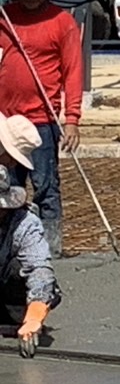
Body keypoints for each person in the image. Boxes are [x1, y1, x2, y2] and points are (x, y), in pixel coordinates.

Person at [0, 0, 82, 256]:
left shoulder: (62, 22)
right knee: (6, 187)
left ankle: (50, 248)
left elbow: (73, 72)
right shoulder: (4, 18)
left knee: (45, 186)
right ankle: (11, 245)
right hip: (6, 121)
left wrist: (72, 118)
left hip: (42, 121)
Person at [0, 113, 60, 356]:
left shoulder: (24, 222)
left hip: (4, 284)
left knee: (34, 279)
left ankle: (17, 316)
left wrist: (34, 316)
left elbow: (39, 269)